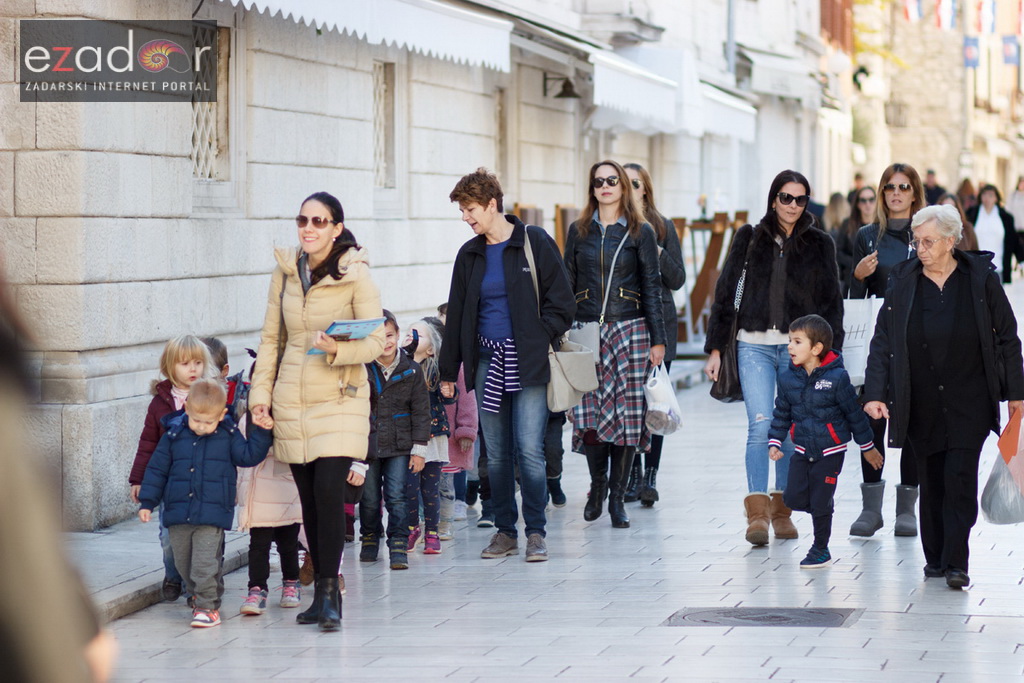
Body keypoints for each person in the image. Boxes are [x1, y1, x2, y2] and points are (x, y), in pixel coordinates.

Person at [864, 204, 1024, 588]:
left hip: (970, 397)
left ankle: (956, 562)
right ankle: (934, 559)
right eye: (916, 241)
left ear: (951, 241)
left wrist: (1016, 393)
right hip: (920, 399)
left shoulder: (980, 278)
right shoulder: (903, 280)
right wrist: (874, 392)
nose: (920, 249)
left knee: (960, 479)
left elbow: (1007, 336)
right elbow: (883, 339)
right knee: (932, 479)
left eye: (929, 242)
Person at [249, 191, 382, 631]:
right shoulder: (286, 272)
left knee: (328, 492)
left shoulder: (355, 274)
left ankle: (329, 592)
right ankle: (320, 596)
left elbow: (376, 342)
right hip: (292, 399)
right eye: (303, 220)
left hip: (340, 396)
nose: (309, 228)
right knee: (308, 500)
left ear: (336, 228)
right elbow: (272, 341)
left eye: (319, 221)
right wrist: (260, 397)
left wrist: (337, 350)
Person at [440, 168, 575, 562]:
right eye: (462, 211)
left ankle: (536, 533)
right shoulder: (470, 254)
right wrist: (448, 372)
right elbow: (458, 314)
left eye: (469, 209)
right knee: (496, 453)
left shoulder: (534, 241)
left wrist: (537, 336)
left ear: (491, 204)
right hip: (486, 360)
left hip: (529, 361)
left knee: (529, 449)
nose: (465, 218)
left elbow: (563, 302)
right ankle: (504, 531)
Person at [703, 169, 844, 547]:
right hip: (753, 345)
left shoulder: (820, 243)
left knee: (791, 427)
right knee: (761, 426)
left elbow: (832, 303)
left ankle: (782, 511)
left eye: (800, 199)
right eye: (786, 197)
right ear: (773, 198)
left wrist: (830, 356)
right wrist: (716, 348)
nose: (792, 205)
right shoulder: (750, 237)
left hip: (799, 350)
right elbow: (725, 293)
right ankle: (757, 514)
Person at [564, 160, 665, 530]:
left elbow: (652, 287)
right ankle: (598, 486)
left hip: (630, 329)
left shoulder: (641, 231)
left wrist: (658, 339)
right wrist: (560, 332)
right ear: (592, 188)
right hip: (586, 330)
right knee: (590, 412)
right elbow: (567, 281)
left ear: (622, 186)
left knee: (627, 415)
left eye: (611, 180)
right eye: (598, 181)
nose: (605, 186)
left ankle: (618, 498)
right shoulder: (579, 231)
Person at [138, 379, 273, 628]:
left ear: (221, 415)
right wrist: (147, 502)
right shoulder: (173, 435)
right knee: (183, 563)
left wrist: (262, 433)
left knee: (204, 562)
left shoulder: (228, 435)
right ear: (187, 408)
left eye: (208, 422)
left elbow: (247, 456)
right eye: (196, 420)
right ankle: (200, 594)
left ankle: (208, 606)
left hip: (213, 511)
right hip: (178, 511)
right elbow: (157, 469)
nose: (201, 426)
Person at [847, 163, 925, 538]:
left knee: (912, 424)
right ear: (881, 193)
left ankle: (907, 508)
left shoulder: (925, 233)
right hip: (877, 343)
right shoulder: (867, 236)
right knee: (872, 419)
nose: (896, 193)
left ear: (915, 193)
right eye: (889, 187)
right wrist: (857, 277)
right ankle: (871, 507)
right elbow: (855, 302)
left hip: (918, 340)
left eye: (903, 187)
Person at [768, 315, 883, 568]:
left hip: (830, 451)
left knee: (820, 501)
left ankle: (820, 549)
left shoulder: (837, 378)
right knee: (793, 498)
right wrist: (775, 441)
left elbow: (854, 415)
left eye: (797, 341)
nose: (790, 346)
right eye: (789, 341)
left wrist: (868, 447)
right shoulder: (788, 379)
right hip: (802, 449)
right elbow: (781, 413)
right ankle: (822, 506)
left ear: (816, 348)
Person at [128, 334, 215, 603]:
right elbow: (148, 444)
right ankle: (173, 574)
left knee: (200, 538)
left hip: (202, 481)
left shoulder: (211, 397)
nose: (192, 369)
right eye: (185, 363)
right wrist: (138, 480)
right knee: (168, 537)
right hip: (171, 484)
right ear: (169, 366)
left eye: (198, 363)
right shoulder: (159, 403)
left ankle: (194, 588)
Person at [622, 162, 685, 507]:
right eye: (624, 182)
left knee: (658, 402)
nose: (630, 189)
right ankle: (632, 474)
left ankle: (651, 476)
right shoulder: (616, 226)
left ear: (645, 188)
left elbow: (678, 279)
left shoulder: (663, 226)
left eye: (636, 183)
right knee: (632, 405)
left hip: (661, 322)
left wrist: (658, 252)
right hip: (628, 325)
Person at [361, 310, 430, 570]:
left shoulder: (411, 370)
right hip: (368, 445)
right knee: (368, 497)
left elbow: (421, 412)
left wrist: (419, 449)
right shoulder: (362, 368)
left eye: (389, 335)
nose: (386, 342)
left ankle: (398, 543)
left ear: (398, 335)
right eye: (378, 337)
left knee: (397, 495)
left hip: (400, 445)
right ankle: (370, 537)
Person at [235, 398, 304, 615]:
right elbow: (239, 457)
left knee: (288, 542)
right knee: (258, 544)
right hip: (257, 490)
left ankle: (291, 582)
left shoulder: (291, 414)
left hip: (286, 486)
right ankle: (256, 588)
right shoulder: (248, 419)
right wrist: (237, 490)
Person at [403, 317, 454, 555]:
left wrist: (450, 392)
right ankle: (413, 528)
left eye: (418, 335)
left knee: (430, 490)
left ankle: (432, 533)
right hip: (409, 437)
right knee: (409, 488)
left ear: (431, 348)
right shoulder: (401, 367)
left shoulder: (436, 369)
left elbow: (448, 397)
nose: (411, 338)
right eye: (408, 334)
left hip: (433, 437)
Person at [965, 184, 1024, 284]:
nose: (987, 198)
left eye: (991, 195)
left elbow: (1013, 240)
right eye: (984, 194)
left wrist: (1021, 258)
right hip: (976, 266)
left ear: (996, 198)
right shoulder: (972, 214)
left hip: (998, 265)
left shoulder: (1005, 217)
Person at [833, 186, 877, 296]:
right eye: (863, 200)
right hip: (852, 279)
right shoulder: (848, 224)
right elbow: (838, 252)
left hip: (876, 281)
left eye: (871, 200)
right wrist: (856, 263)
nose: (867, 204)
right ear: (858, 204)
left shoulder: (882, 225)